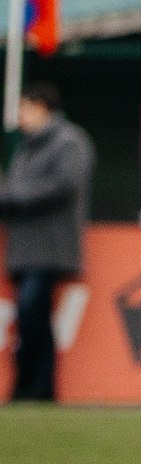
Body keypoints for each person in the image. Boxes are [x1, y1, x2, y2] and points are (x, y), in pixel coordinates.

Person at [1, 81, 94, 404]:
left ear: (41, 107)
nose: (19, 115)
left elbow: (63, 185)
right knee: (30, 319)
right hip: (23, 249)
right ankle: (29, 386)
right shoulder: (26, 147)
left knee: (32, 313)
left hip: (50, 247)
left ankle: (39, 387)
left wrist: (10, 195)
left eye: (24, 107)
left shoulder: (69, 142)